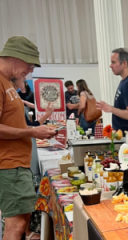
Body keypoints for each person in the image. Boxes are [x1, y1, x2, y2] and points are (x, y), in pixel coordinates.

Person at [0, 36, 56, 240]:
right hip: (9, 165)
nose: (31, 70)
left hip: (17, 165)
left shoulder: (7, 83)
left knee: (21, 221)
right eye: (30, 64)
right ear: (16, 57)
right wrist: (32, 132)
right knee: (16, 226)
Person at [96, 48, 128, 140]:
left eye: (113, 62)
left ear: (124, 63)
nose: (110, 66)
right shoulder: (126, 81)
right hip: (126, 137)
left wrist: (110, 109)